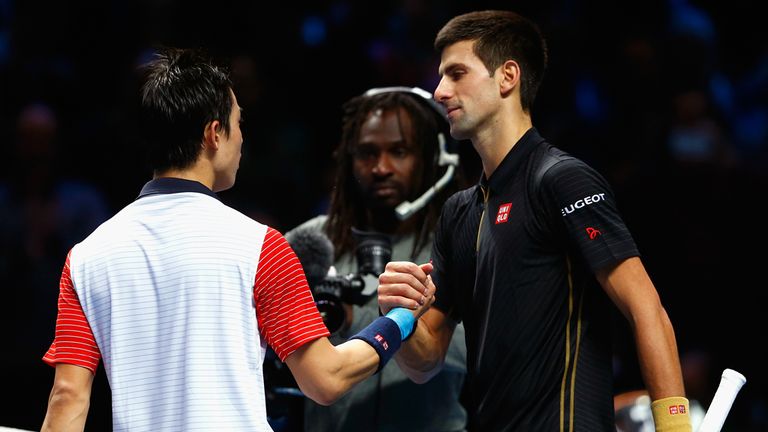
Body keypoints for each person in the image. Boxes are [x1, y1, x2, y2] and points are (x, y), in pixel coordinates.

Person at [40, 47, 433, 432]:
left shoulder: (86, 257)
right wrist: (400, 320)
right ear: (214, 134)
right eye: (238, 123)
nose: (242, 139)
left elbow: (68, 397)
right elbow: (325, 379)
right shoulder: (260, 246)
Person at [377, 10, 692, 432]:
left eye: (456, 74)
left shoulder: (562, 180)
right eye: (441, 77)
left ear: (507, 77)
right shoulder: (458, 213)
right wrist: (398, 312)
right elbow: (426, 360)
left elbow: (645, 309)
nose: (439, 91)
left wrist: (674, 427)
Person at [287, 87, 470, 431]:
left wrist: (358, 317)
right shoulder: (309, 242)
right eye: (367, 153)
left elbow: (483, 348)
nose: (381, 168)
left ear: (433, 157)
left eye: (399, 151)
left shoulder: (458, 241)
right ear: (348, 160)